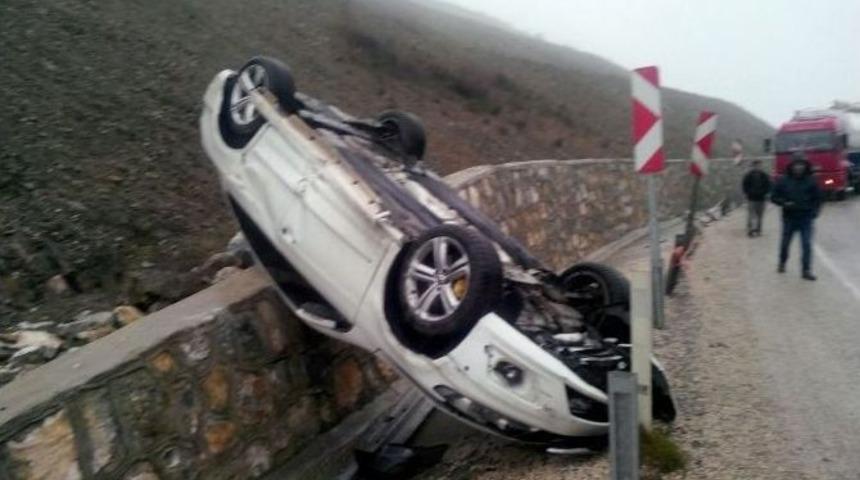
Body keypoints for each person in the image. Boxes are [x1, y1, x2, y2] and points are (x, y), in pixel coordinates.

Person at [770, 153, 822, 280]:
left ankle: (806, 270)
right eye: (796, 165)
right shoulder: (783, 180)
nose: (798, 167)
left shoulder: (811, 181)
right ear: (791, 166)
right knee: (785, 243)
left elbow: (818, 198)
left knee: (806, 244)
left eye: (801, 164)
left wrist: (815, 212)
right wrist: (784, 203)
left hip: (806, 218)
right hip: (789, 217)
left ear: (805, 166)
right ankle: (782, 262)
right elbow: (773, 197)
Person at [741, 159, 772, 236]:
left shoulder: (764, 175)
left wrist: (767, 193)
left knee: (760, 215)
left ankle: (758, 230)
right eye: (756, 165)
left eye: (759, 165)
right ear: (753, 166)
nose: (758, 167)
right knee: (752, 214)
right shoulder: (748, 175)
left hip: (761, 198)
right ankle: (751, 230)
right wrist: (747, 193)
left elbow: (768, 185)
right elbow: (745, 185)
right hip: (751, 198)